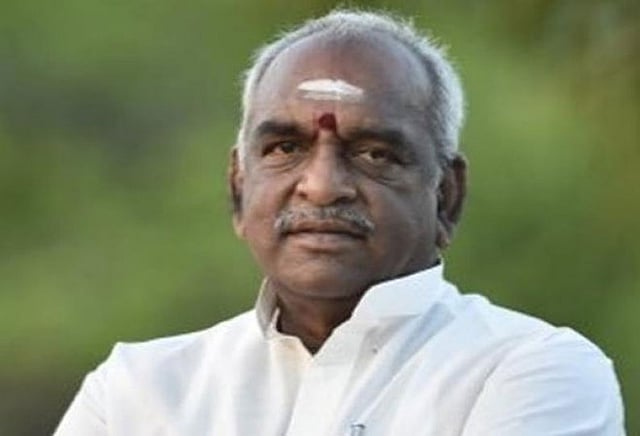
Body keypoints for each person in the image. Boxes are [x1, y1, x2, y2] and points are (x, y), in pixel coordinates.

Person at [55, 9, 625, 436]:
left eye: (375, 153)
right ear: (238, 188)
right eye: (285, 148)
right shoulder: (140, 390)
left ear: (446, 197)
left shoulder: (530, 371)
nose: (323, 185)